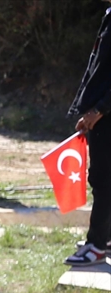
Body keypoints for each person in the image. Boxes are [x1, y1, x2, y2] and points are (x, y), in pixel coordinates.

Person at [64, 0, 110, 266]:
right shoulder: (109, 15)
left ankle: (96, 246)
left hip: (107, 115)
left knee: (103, 180)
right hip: (100, 113)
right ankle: (106, 237)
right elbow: (98, 69)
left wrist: (99, 110)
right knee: (103, 178)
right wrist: (85, 108)